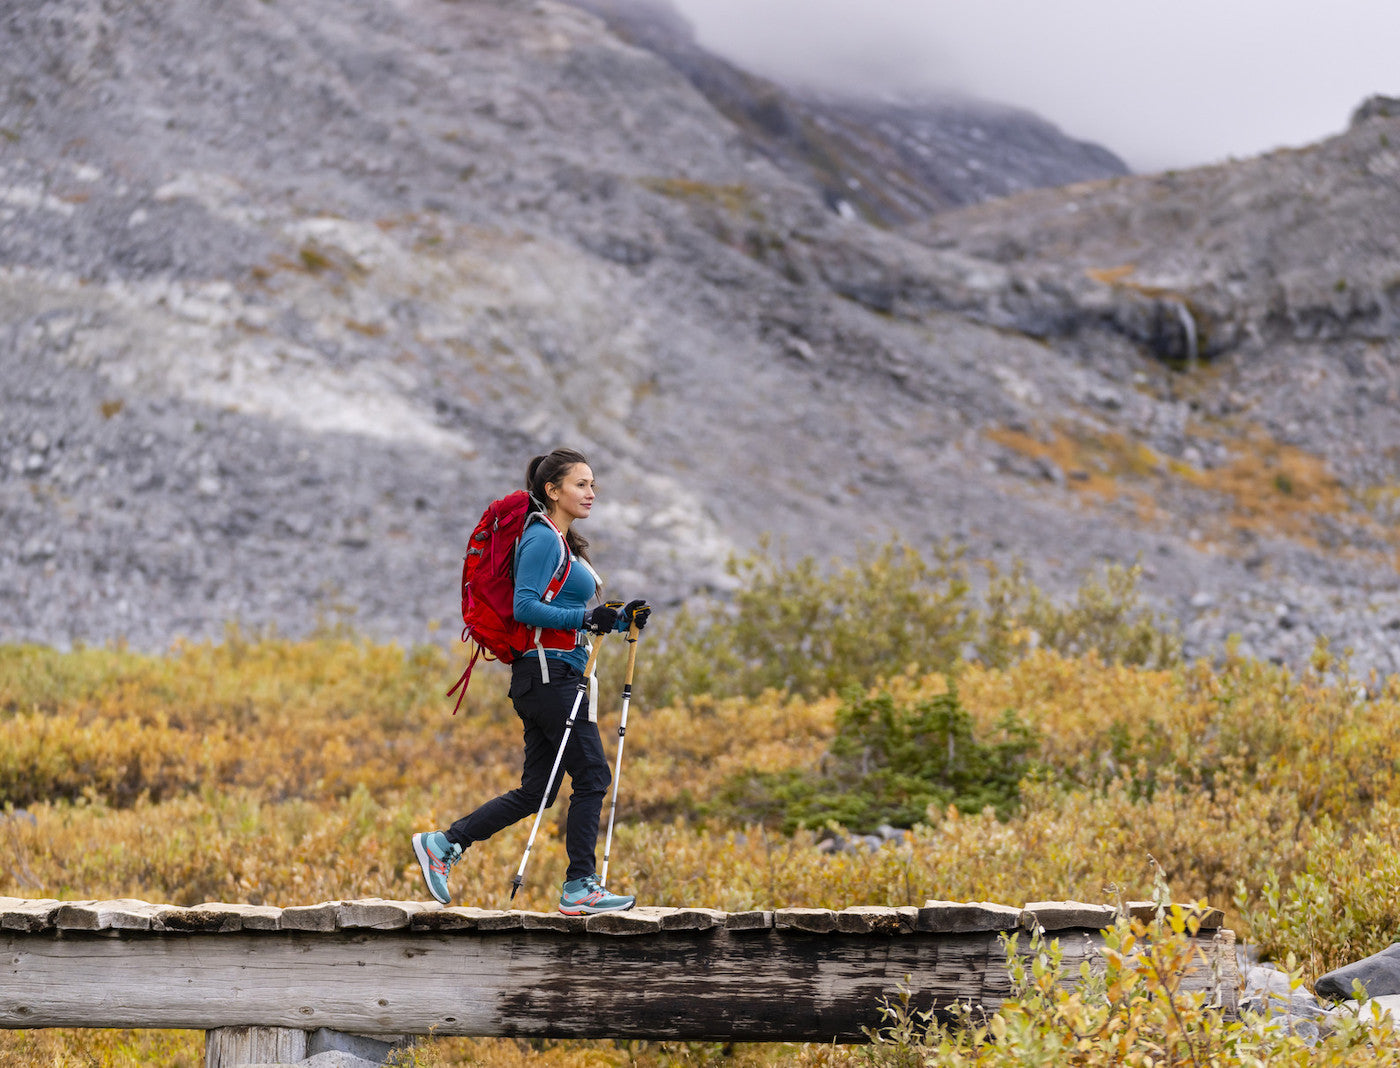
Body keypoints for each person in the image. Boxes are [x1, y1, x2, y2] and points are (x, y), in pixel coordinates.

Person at [412, 448, 650, 914]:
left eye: (593, 484)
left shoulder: (561, 541)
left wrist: (618, 619)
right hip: (550, 675)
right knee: (594, 775)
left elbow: (569, 616)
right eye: (581, 484)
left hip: (550, 674)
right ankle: (580, 886)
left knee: (537, 791)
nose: (591, 493)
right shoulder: (542, 539)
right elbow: (525, 607)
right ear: (552, 490)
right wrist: (587, 617)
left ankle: (444, 844)